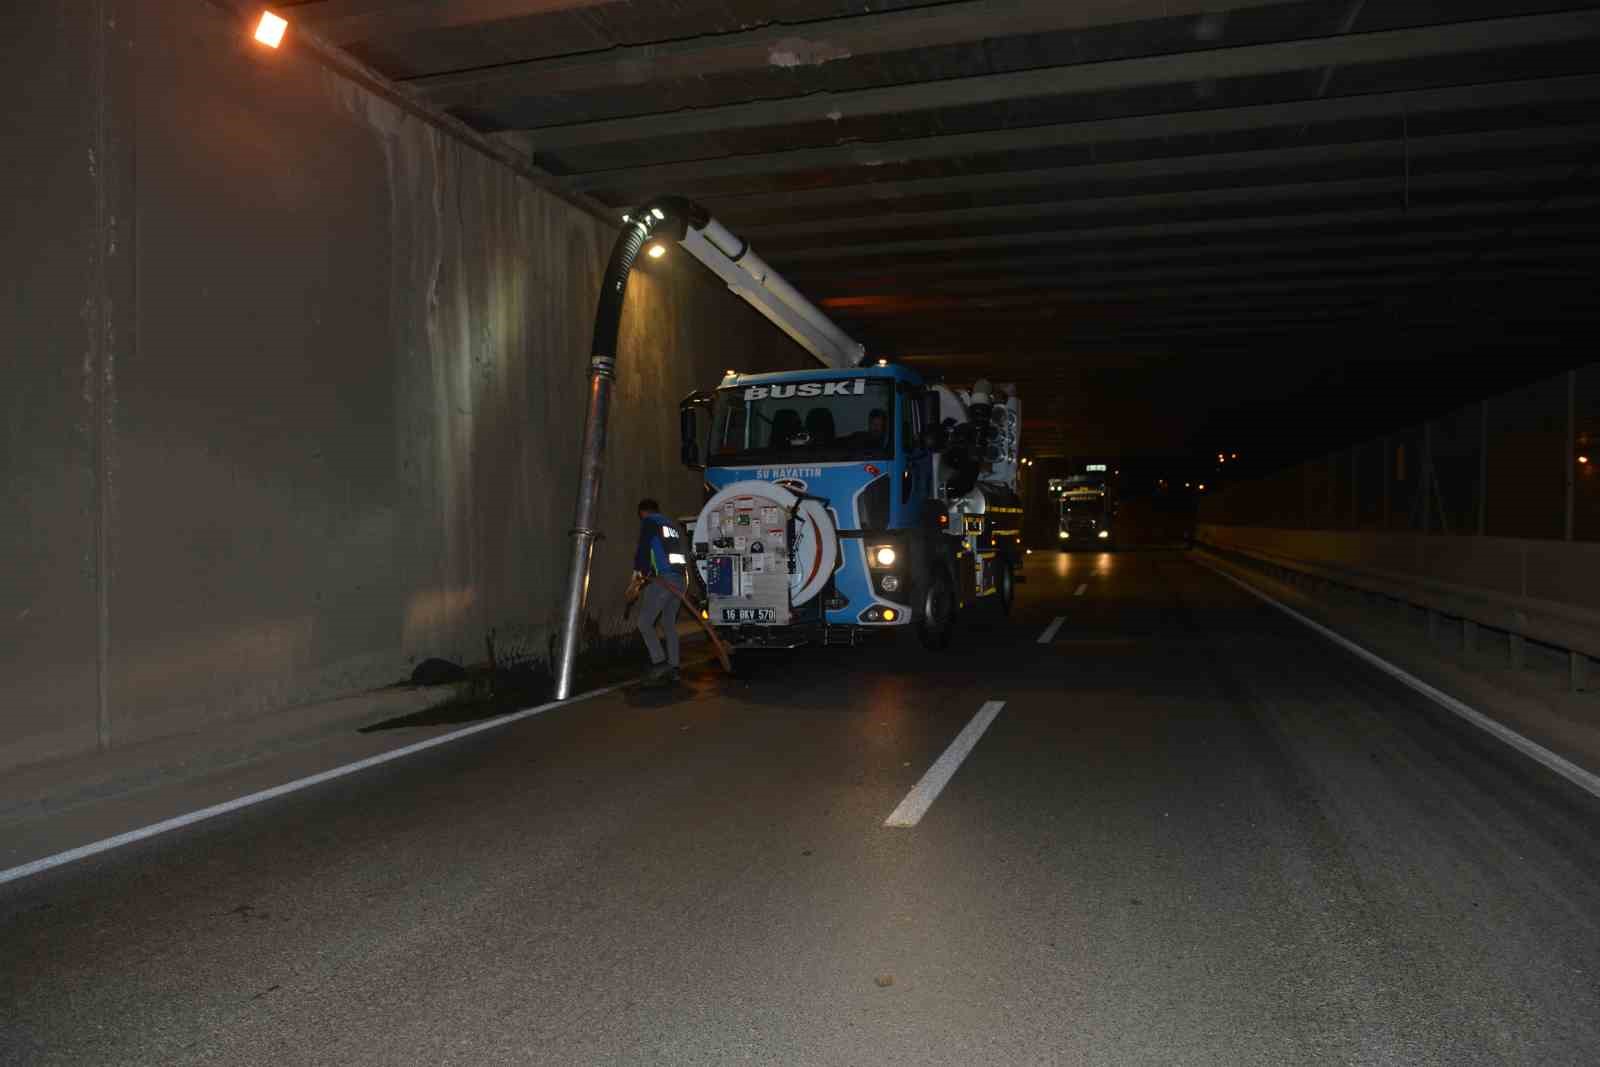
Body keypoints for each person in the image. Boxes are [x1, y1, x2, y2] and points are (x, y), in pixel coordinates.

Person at [633, 497, 689, 684]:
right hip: (680, 580)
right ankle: (674, 667)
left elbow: (643, 550)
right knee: (668, 624)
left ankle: (659, 663)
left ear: (643, 513)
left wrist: (639, 572)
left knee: (644, 622)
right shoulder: (671, 526)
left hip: (664, 580)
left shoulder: (650, 522)